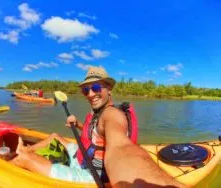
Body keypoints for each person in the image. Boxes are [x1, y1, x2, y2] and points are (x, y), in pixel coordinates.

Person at [11, 66, 186, 187]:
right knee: (55, 136)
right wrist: (78, 124)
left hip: (92, 173)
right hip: (83, 156)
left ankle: (23, 155)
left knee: (24, 160)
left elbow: (122, 148)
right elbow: (95, 134)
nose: (91, 94)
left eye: (95, 87)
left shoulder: (112, 115)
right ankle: (26, 149)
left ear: (109, 88)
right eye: (86, 90)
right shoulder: (98, 113)